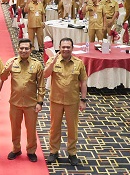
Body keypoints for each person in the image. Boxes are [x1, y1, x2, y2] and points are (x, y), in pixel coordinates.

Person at [44, 37, 88, 166]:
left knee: (72, 128)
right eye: (63, 47)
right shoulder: (53, 60)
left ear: (72, 48)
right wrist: (52, 63)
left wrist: (83, 100)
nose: (65, 49)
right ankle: (53, 151)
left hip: (72, 101)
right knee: (54, 127)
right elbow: (45, 74)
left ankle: (72, 153)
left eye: (68, 47)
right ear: (59, 47)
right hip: (56, 100)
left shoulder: (78, 63)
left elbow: (83, 81)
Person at [1, 38, 45, 162]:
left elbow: (41, 85)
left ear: (31, 50)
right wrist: (7, 69)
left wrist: (40, 102)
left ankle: (31, 150)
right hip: (15, 103)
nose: (23, 50)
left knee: (31, 129)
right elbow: (3, 78)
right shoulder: (12, 62)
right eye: (21, 48)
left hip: (31, 104)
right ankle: (16, 149)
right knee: (15, 128)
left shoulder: (36, 64)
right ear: (18, 49)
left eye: (26, 48)